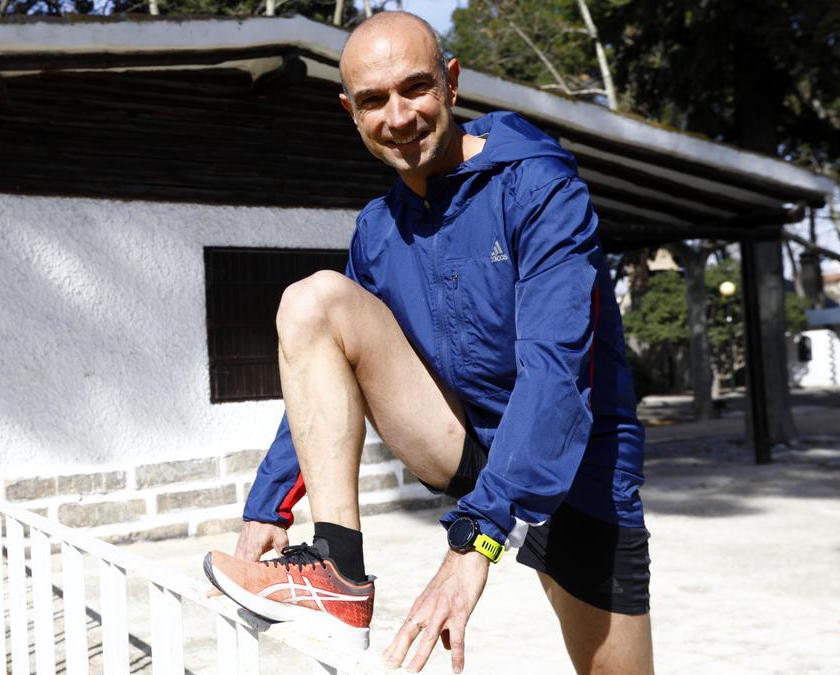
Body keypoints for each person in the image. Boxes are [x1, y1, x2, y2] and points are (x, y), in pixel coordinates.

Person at [203, 11, 653, 674]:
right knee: (314, 302)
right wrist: (270, 502)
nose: (399, 115)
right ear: (349, 111)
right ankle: (336, 567)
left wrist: (475, 542)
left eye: (415, 88)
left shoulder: (539, 187)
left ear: (451, 83)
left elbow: (556, 378)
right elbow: (322, 363)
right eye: (373, 100)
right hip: (463, 442)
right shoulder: (379, 231)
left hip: (576, 466)